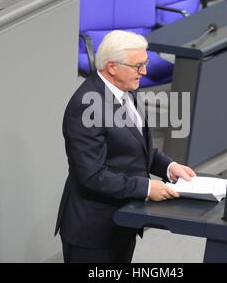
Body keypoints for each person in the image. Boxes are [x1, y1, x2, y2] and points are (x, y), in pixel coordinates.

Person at [54, 30, 196, 263]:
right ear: (112, 67)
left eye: (145, 63)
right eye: (138, 66)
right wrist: (148, 188)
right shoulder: (86, 106)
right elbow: (93, 176)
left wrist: (169, 167)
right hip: (93, 231)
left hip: (122, 222)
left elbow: (136, 147)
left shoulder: (127, 91)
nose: (145, 72)